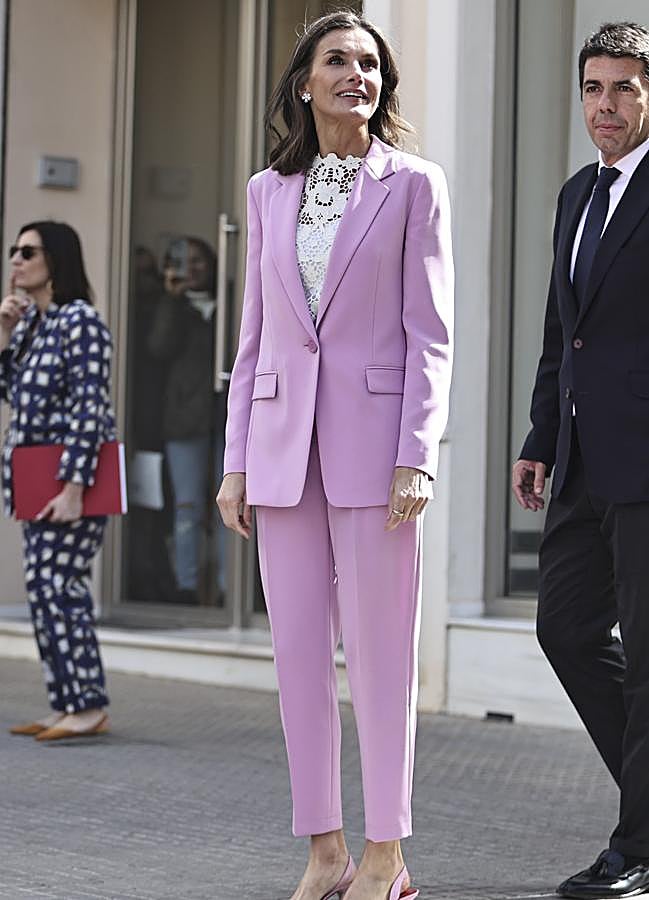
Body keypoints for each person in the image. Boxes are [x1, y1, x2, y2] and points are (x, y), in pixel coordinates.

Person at [217, 11, 453, 900]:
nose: (358, 73)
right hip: (283, 455)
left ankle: (387, 856)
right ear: (305, 82)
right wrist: (238, 460)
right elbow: (256, 340)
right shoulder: (266, 191)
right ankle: (324, 851)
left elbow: (430, 333)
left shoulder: (413, 185)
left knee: (383, 658)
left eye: (370, 62)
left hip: (374, 450)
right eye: (338, 61)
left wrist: (415, 452)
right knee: (297, 663)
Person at [512, 21, 649, 900]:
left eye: (624, 89)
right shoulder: (574, 193)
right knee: (563, 630)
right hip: (579, 461)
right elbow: (566, 333)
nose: (604, 106)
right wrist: (537, 438)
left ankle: (634, 849)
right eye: (593, 89)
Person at [0, 221, 116, 741]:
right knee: (43, 593)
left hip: (72, 482)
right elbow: (12, 395)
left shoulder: (80, 322)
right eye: (14, 251)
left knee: (60, 589)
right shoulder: (33, 325)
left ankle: (88, 706)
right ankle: (65, 703)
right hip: (34, 480)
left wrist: (73, 490)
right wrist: (4, 336)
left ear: (57, 261)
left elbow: (91, 408)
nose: (16, 261)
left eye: (28, 251)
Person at [148, 236, 227, 604]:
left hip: (230, 419)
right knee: (188, 506)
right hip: (184, 419)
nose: (191, 268)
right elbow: (158, 348)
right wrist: (171, 299)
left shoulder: (233, 298)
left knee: (232, 505)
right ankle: (187, 587)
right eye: (182, 261)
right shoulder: (172, 306)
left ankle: (229, 588)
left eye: (199, 260)